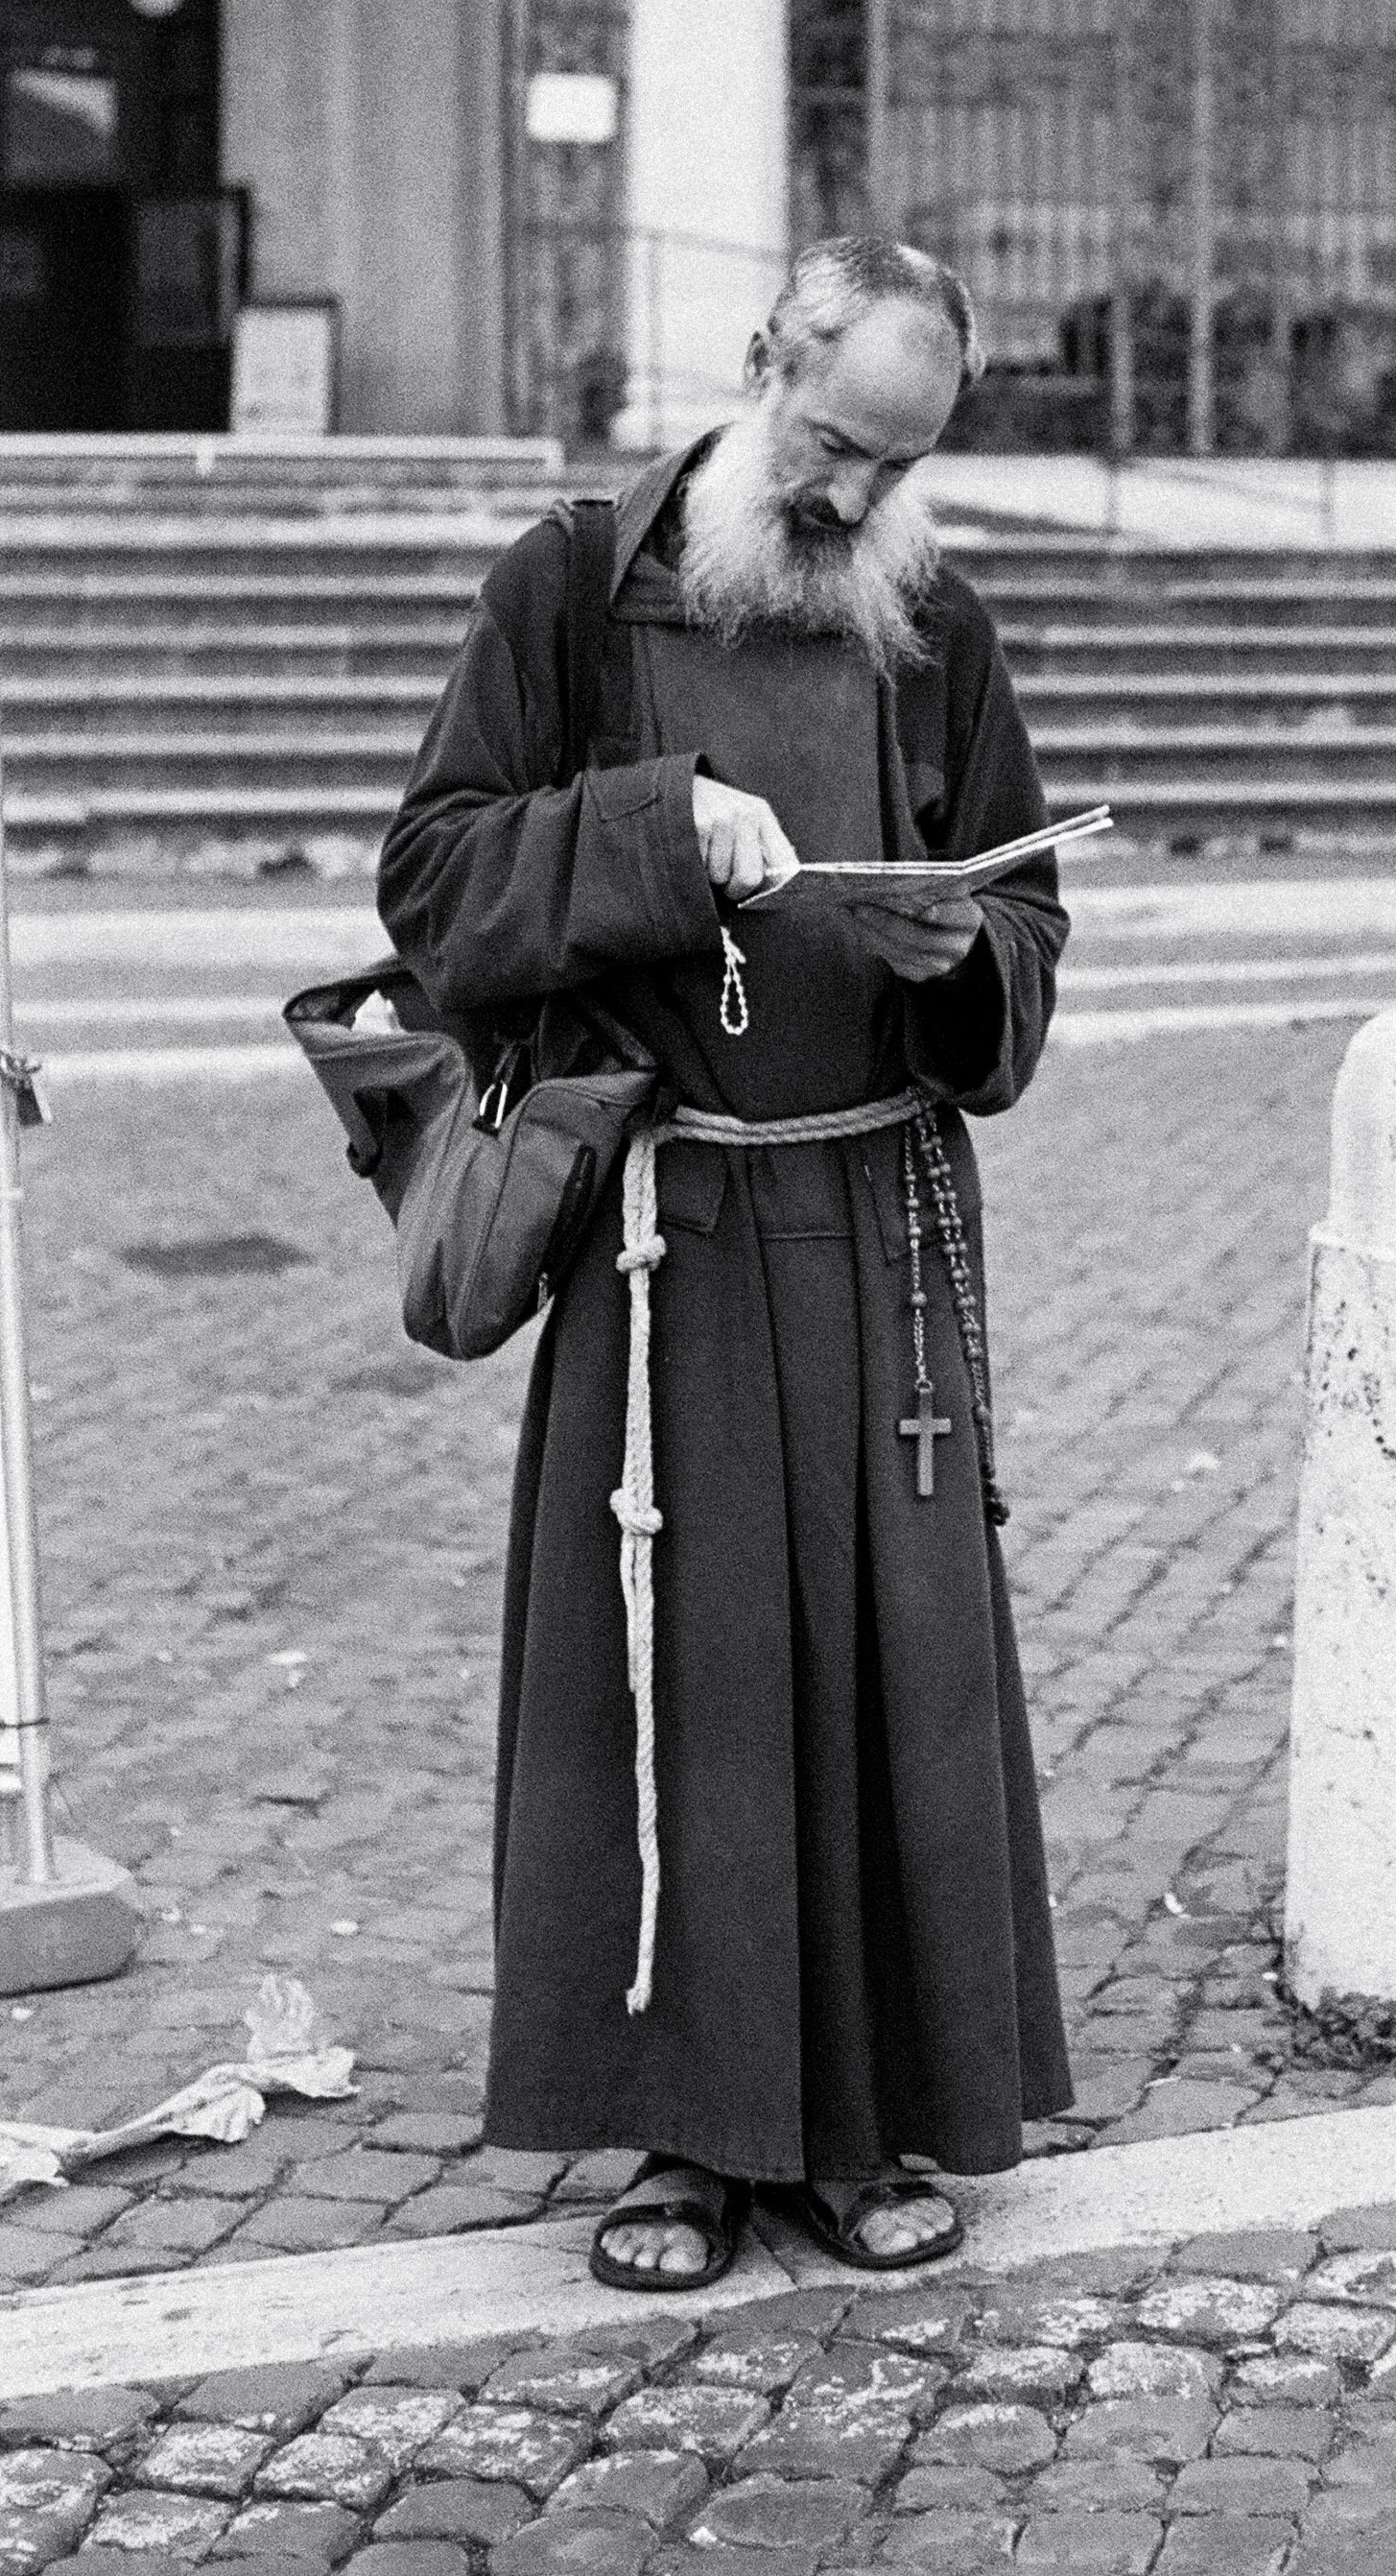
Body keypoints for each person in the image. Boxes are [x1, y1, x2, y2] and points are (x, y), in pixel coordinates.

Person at [376, 232, 1072, 2284]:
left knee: (872, 1673)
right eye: (836, 442)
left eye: (900, 463)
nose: (857, 496)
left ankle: (856, 2131)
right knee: (677, 1679)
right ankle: (685, 2141)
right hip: (661, 1234)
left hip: (873, 1232)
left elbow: (1029, 927)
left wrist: (969, 955)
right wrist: (660, 829)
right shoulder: (573, 590)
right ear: (766, 360)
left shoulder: (937, 628)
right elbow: (432, 879)